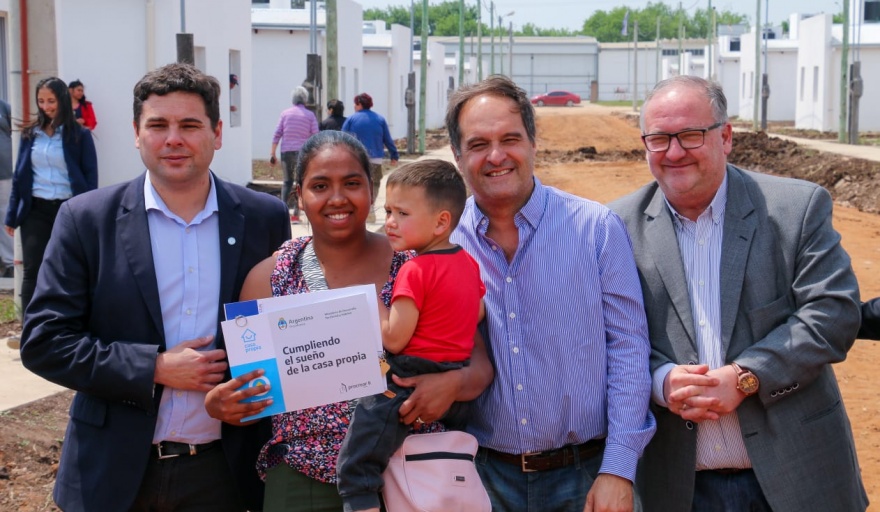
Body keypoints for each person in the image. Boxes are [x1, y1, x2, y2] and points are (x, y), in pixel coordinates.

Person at [18, 63, 291, 512]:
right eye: (158, 125)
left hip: (226, 474)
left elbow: (280, 334)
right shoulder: (86, 220)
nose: (173, 139)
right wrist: (155, 367)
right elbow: (45, 341)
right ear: (136, 133)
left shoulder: (264, 218)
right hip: (112, 473)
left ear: (217, 133)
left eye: (190, 125)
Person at [608, 75, 867, 512]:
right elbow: (606, 335)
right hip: (676, 488)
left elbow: (832, 313)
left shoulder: (795, 209)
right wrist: (660, 380)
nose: (674, 152)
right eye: (659, 139)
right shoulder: (615, 227)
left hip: (798, 478)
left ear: (726, 137)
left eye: (691, 135)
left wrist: (748, 376)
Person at [204, 131, 493, 512]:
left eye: (352, 183)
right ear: (299, 196)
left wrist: (452, 384)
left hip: (414, 473)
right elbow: (251, 393)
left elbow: (480, 368)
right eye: (320, 186)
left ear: (372, 191)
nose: (337, 198)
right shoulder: (271, 278)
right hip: (303, 479)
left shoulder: (422, 266)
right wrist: (223, 405)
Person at [445, 75, 655, 512]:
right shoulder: (441, 244)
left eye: (510, 139)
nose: (496, 156)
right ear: (457, 155)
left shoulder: (596, 229)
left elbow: (629, 349)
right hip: (481, 481)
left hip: (587, 478)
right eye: (479, 144)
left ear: (533, 143)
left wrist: (618, 470)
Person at [336, 159, 486, 512]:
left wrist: (371, 302)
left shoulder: (414, 269)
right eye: (388, 211)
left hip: (405, 377)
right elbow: (477, 312)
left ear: (441, 222)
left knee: (357, 461)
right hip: (454, 376)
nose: (390, 221)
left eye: (402, 213)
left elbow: (394, 339)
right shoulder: (468, 263)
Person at [5, 77, 98, 315]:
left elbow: (90, 177)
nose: (45, 106)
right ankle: (30, 329)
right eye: (41, 101)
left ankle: (69, 324)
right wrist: (11, 215)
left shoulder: (80, 135)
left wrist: (90, 213)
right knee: (33, 271)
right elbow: (20, 177)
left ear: (62, 100)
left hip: (68, 211)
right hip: (35, 211)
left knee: (69, 268)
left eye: (51, 101)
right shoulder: (30, 134)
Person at [342, 92, 399, 220]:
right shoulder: (380, 119)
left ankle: (359, 210)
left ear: (359, 104)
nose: (354, 106)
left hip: (355, 158)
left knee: (357, 183)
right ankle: (370, 209)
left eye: (355, 103)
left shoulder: (351, 119)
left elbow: (343, 138)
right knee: (374, 183)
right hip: (375, 157)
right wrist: (394, 155)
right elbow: (387, 139)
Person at [270, 86, 319, 224]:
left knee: (287, 182)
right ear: (305, 99)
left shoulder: (285, 114)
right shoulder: (310, 115)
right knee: (300, 182)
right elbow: (316, 135)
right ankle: (296, 214)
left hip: (286, 152)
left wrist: (272, 153)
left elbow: (277, 134)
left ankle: (282, 213)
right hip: (303, 153)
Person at [0, 99, 13, 279]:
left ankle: (10, 262)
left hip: (5, 173)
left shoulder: (3, 106)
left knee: (5, 217)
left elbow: (16, 128)